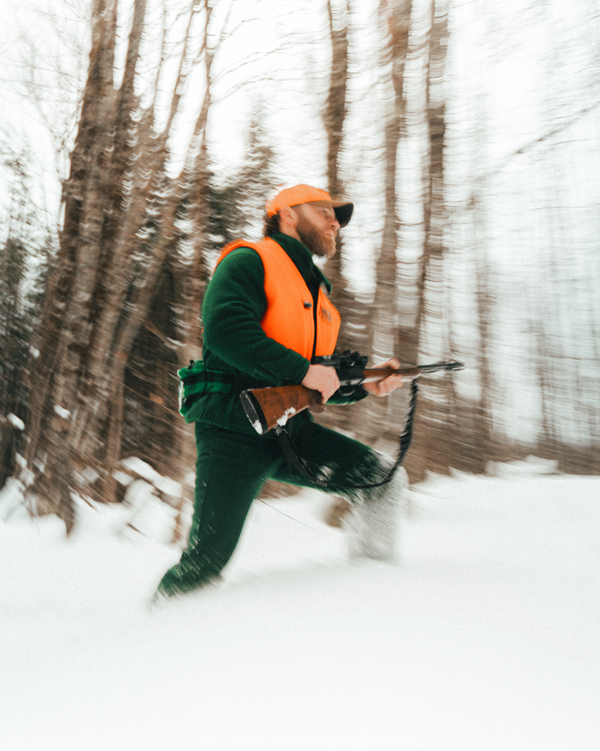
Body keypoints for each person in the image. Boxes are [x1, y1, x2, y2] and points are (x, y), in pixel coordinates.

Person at [154, 184, 406, 600]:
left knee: (382, 481)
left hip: (291, 433)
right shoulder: (250, 261)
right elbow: (226, 330)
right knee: (205, 563)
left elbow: (315, 383)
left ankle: (371, 594)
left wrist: (365, 385)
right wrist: (302, 370)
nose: (334, 223)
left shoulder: (318, 295)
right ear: (287, 214)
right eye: (324, 211)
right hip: (233, 431)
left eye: (337, 219)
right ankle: (150, 635)